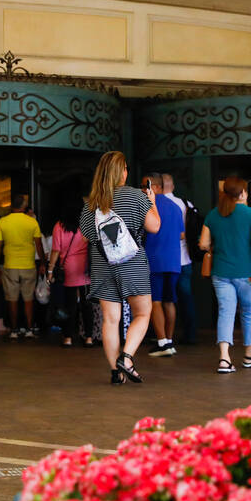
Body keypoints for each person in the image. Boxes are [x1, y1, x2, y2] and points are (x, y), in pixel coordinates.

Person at [79, 151, 159, 384]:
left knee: (110, 320)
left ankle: (116, 372)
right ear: (121, 171)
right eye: (125, 168)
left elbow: (86, 236)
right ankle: (127, 356)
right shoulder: (136, 196)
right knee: (143, 314)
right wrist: (152, 204)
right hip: (132, 262)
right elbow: (154, 226)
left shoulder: (91, 203)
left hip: (103, 264)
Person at [199, 177, 251, 374]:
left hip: (221, 273)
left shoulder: (214, 215)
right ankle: (249, 354)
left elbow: (203, 244)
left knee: (226, 312)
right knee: (247, 312)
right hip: (247, 273)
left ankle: (224, 359)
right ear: (242, 194)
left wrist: (218, 243)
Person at [142, 173, 185, 358]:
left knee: (155, 301)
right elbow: (182, 235)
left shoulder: (147, 205)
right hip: (174, 260)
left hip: (154, 259)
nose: (144, 189)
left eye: (147, 185)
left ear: (157, 187)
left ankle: (161, 342)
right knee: (170, 300)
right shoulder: (176, 208)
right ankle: (169, 340)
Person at [0, 195, 45, 340]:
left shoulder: (3, 222)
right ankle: (29, 330)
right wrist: (42, 263)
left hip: (10, 265)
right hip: (28, 265)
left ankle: (14, 330)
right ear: (24, 207)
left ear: (12, 206)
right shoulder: (32, 222)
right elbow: (39, 245)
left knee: (12, 299)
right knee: (28, 299)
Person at [46, 203, 94, 347]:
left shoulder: (59, 226)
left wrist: (50, 271)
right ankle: (89, 338)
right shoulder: (86, 224)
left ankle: (68, 338)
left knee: (69, 305)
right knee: (86, 305)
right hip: (85, 268)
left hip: (68, 269)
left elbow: (55, 250)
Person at [160, 173, 197, 345]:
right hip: (183, 258)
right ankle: (190, 335)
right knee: (185, 298)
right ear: (173, 186)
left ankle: (164, 336)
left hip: (162, 260)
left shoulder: (155, 205)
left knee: (162, 300)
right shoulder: (185, 204)